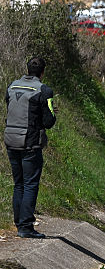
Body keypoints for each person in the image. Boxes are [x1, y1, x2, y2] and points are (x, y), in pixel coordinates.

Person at [5, 57, 56, 238]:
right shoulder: (44, 90)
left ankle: (19, 222)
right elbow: (49, 121)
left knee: (19, 183)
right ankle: (26, 227)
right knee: (30, 184)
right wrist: (49, 112)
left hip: (10, 140)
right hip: (30, 142)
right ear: (42, 72)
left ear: (27, 69)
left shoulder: (12, 86)